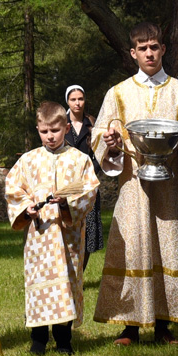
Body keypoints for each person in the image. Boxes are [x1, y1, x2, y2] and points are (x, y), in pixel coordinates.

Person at [93, 23, 178, 344]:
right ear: (133, 53)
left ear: (163, 50)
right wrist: (111, 142)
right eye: (142, 48)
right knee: (133, 250)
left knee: (168, 249)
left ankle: (163, 325)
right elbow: (100, 136)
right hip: (133, 188)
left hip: (170, 188)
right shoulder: (117, 94)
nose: (149, 53)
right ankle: (130, 326)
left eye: (154, 47)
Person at [6, 101, 101, 355]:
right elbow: (13, 188)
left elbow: (90, 189)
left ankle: (63, 340)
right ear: (38, 129)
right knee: (39, 285)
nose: (50, 137)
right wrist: (27, 208)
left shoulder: (79, 159)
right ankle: (38, 339)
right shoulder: (28, 160)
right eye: (44, 131)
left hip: (67, 237)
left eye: (55, 131)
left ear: (66, 127)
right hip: (39, 237)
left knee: (66, 283)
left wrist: (68, 203)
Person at [65, 83, 104, 267]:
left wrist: (89, 173)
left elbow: (100, 155)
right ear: (67, 101)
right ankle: (68, 270)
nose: (77, 103)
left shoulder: (93, 124)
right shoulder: (60, 123)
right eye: (73, 99)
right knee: (68, 229)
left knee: (88, 233)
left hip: (88, 185)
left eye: (80, 99)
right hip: (65, 185)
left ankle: (80, 272)